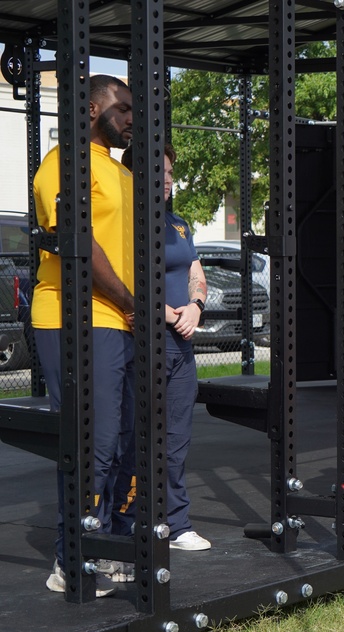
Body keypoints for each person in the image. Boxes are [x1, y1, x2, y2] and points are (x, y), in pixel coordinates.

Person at [33, 75, 134, 596]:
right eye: (123, 109)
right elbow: (79, 241)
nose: (131, 118)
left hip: (119, 319)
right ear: (93, 107)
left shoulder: (119, 171)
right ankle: (70, 559)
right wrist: (127, 300)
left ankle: (107, 546)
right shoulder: (63, 160)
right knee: (90, 442)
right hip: (76, 316)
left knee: (120, 442)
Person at [111, 143, 212, 551]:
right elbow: (121, 281)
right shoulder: (125, 223)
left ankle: (176, 523)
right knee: (135, 440)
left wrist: (196, 305)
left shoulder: (179, 223)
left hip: (180, 348)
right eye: (159, 172)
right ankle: (126, 523)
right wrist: (168, 314)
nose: (167, 180)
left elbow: (195, 269)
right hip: (142, 345)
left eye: (170, 172)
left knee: (175, 441)